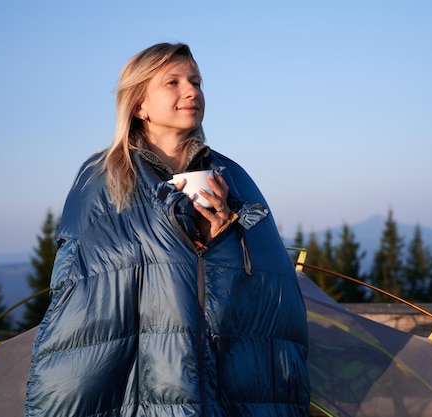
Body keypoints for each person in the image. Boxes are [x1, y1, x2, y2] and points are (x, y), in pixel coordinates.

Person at [25, 42, 310, 417]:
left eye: (195, 80)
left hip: (227, 381)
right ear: (139, 105)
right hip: (148, 385)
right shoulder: (103, 182)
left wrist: (221, 236)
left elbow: (272, 294)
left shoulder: (234, 178)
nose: (191, 91)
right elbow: (82, 298)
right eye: (172, 82)